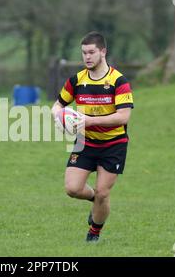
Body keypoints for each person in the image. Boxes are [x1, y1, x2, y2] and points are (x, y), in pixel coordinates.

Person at [51, 32, 134, 242]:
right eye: (84, 53)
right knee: (72, 188)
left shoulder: (118, 81)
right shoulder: (76, 80)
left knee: (103, 192)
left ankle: (94, 233)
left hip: (113, 144)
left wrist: (88, 121)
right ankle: (96, 202)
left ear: (103, 52)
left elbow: (123, 117)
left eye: (91, 52)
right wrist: (58, 118)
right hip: (84, 142)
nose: (87, 57)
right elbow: (58, 105)